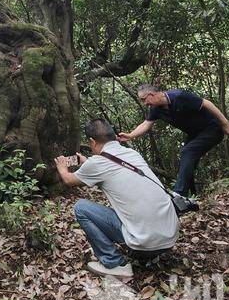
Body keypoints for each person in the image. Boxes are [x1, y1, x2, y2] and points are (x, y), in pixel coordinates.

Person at [54, 118, 179, 278]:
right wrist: (88, 163)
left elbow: (69, 180)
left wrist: (62, 168)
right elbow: (109, 167)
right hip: (169, 237)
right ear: (114, 136)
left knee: (81, 208)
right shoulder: (132, 154)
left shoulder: (97, 164)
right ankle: (151, 252)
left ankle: (114, 263)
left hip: (146, 243)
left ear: (92, 142)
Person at [119, 84, 229, 197]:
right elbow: (146, 124)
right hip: (195, 134)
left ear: (151, 94)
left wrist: (226, 125)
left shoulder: (179, 96)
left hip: (212, 129)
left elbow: (207, 103)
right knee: (187, 160)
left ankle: (179, 194)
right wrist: (130, 135)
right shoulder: (156, 109)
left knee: (187, 152)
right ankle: (192, 196)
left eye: (144, 99)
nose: (145, 103)